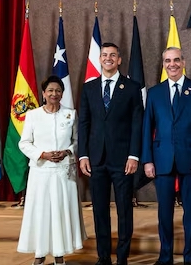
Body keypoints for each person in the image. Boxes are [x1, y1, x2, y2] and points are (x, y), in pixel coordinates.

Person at [142, 47, 191, 265]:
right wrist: (147, 160)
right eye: (168, 61)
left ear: (183, 62)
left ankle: (190, 258)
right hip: (162, 160)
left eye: (176, 60)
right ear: (164, 64)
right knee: (164, 213)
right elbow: (147, 129)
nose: (172, 64)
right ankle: (165, 257)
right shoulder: (154, 93)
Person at [78, 43, 143, 265]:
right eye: (104, 55)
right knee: (100, 211)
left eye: (113, 55)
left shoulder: (132, 87)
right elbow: (84, 123)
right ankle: (103, 257)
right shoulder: (89, 88)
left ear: (119, 60)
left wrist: (134, 155)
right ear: (100, 59)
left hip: (123, 160)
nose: (108, 58)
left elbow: (137, 124)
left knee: (124, 210)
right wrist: (83, 155)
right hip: (96, 160)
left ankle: (122, 258)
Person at [18, 75, 87, 265]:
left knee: (61, 212)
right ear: (43, 93)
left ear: (62, 94)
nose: (54, 94)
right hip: (41, 172)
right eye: (50, 90)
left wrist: (67, 151)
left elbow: (78, 141)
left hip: (64, 173)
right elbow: (24, 143)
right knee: (41, 213)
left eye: (58, 90)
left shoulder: (70, 114)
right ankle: (39, 254)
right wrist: (42, 154)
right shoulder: (33, 115)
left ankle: (59, 254)